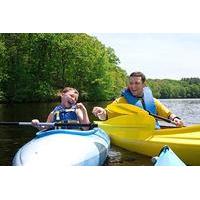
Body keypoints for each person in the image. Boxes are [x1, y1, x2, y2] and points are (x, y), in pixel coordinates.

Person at [92, 71, 184, 128]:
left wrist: (175, 118)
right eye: (131, 83)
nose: (133, 86)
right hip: (134, 134)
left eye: (137, 83)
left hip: (153, 132)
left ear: (143, 85)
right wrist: (101, 112)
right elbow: (106, 115)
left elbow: (168, 114)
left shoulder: (153, 101)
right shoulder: (121, 101)